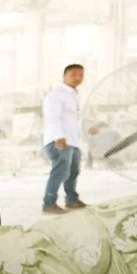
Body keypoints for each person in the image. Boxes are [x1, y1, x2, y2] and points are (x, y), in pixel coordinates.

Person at [40, 64, 86, 214]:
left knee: (73, 171)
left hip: (73, 141)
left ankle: (72, 200)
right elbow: (52, 117)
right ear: (64, 76)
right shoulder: (56, 94)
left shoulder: (74, 94)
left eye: (80, 75)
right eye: (73, 75)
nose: (77, 78)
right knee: (60, 171)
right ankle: (49, 204)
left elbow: (74, 119)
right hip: (59, 140)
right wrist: (58, 136)